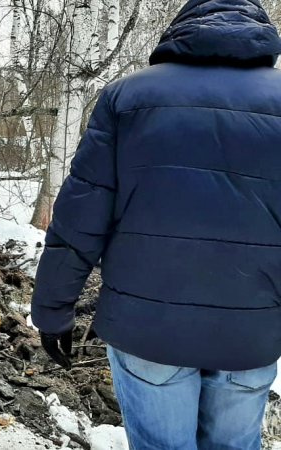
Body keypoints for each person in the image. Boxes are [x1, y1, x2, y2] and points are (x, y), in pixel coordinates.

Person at [32, 1, 281, 448]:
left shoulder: (128, 98)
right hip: (251, 329)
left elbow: (81, 213)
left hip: (146, 327)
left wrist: (53, 309)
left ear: (181, 29)